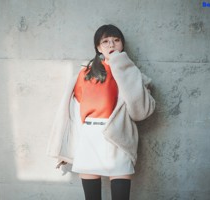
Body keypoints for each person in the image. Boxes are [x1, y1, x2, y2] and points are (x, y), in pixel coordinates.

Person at [46, 24, 155, 200]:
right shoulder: (85, 73)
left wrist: (121, 65)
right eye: (105, 41)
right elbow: (75, 111)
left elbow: (139, 112)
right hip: (90, 136)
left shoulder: (132, 73)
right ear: (98, 47)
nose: (111, 45)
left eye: (116, 40)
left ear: (122, 44)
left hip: (119, 135)